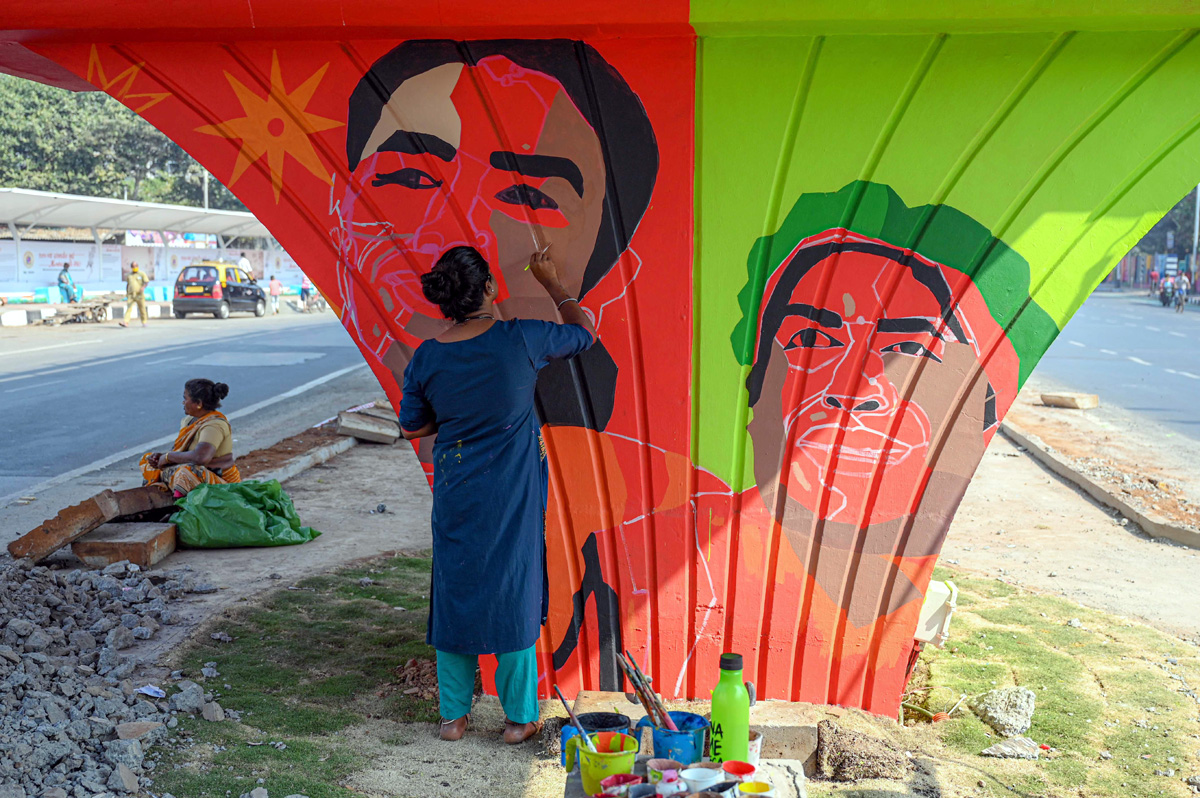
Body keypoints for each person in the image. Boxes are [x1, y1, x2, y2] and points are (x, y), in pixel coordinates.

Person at [398, 244, 595, 744]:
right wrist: (552, 282)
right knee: (514, 588)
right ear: (489, 288)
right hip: (513, 491)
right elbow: (584, 334)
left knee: (455, 588)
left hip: (457, 488)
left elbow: (412, 427)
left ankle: (453, 719)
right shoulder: (522, 337)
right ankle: (517, 719)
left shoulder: (428, 356)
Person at [141, 378, 241, 498]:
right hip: (198, 473)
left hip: (222, 485)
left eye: (185, 398)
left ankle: (178, 507)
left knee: (186, 473)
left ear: (198, 403)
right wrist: (161, 457)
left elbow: (201, 457)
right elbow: (185, 453)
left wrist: (168, 457)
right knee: (149, 461)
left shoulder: (214, 425)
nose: (183, 403)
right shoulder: (189, 420)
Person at [120, 263, 149, 327]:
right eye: (133, 266)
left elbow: (146, 282)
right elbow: (128, 284)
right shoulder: (129, 275)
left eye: (136, 266)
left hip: (139, 294)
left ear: (138, 266)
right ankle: (126, 322)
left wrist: (143, 287)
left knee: (142, 308)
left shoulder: (141, 274)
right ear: (131, 267)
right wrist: (127, 293)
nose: (135, 267)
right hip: (131, 295)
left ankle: (144, 321)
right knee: (129, 308)